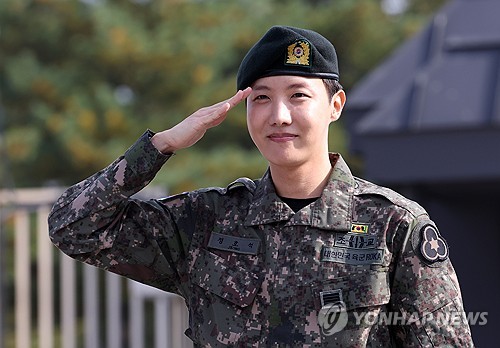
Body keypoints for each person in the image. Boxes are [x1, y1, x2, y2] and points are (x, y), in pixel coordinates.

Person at [48, 26, 474, 347]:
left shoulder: (393, 226)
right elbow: (74, 225)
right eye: (262, 98)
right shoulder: (206, 223)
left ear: (335, 105)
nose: (280, 116)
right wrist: (161, 145)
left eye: (299, 95)